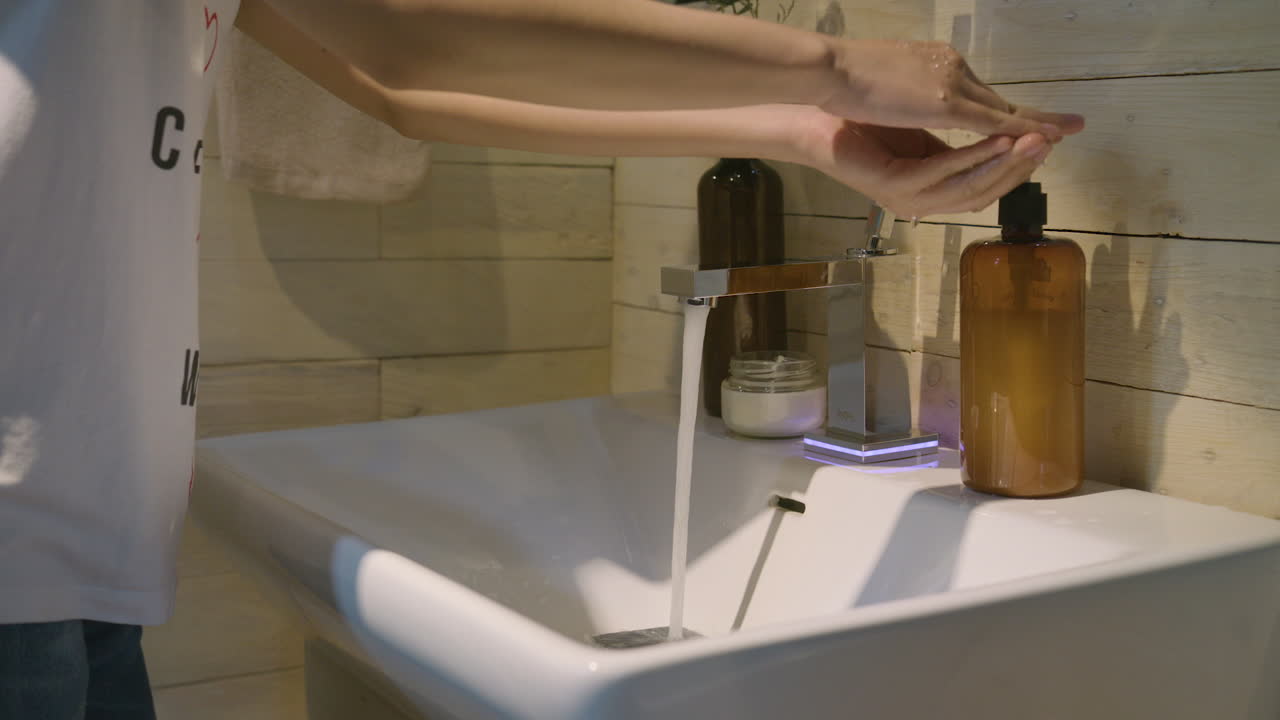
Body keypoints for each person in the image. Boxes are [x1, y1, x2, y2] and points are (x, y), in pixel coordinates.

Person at [0, 1, 1083, 717]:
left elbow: (389, 94)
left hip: (71, 513)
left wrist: (805, 131)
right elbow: (401, 38)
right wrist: (834, 66)